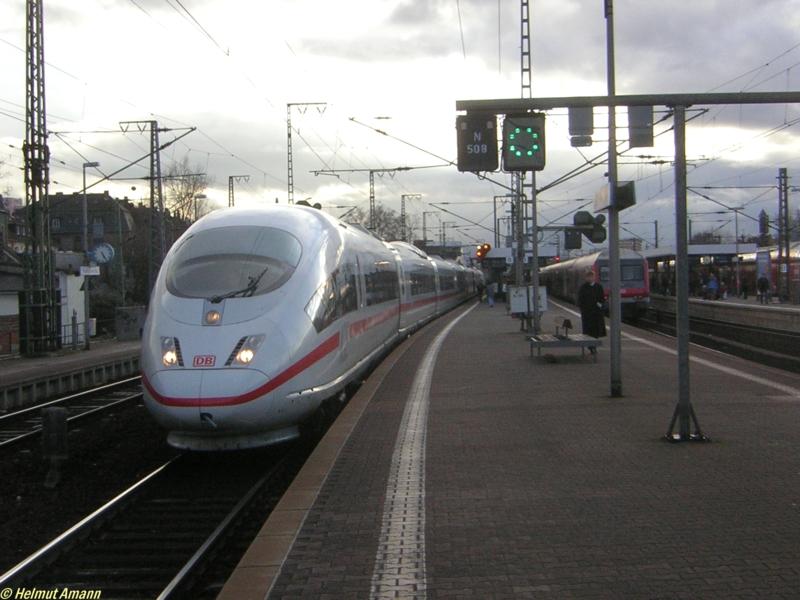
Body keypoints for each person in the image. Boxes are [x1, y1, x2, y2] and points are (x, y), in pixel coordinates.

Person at [577, 270, 606, 354]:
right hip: (587, 313)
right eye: (588, 277)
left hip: (596, 313)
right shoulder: (583, 287)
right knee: (588, 331)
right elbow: (580, 299)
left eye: (591, 277)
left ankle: (593, 346)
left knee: (595, 330)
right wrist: (582, 308)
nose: (590, 278)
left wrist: (599, 305)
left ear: (594, 277)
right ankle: (591, 346)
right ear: (586, 278)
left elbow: (602, 298)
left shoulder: (599, 287)